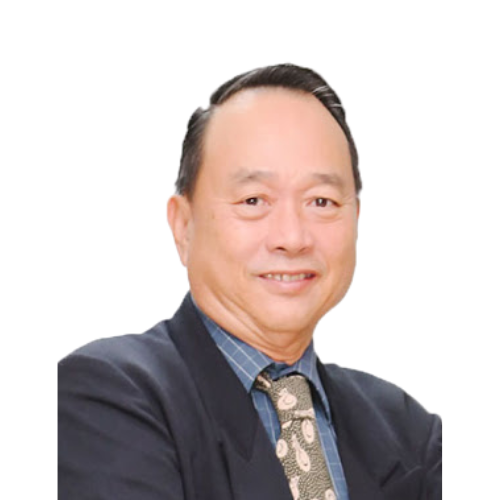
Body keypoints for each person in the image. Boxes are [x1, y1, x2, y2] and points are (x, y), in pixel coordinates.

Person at [57, 63, 443, 500]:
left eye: (321, 201)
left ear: (356, 220)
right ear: (182, 224)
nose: (292, 238)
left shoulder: (407, 428)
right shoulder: (107, 395)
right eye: (254, 200)